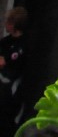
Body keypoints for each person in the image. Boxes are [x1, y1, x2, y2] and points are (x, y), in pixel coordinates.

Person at [0, 7, 28, 137]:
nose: (5, 24)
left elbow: (3, 62)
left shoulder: (23, 44)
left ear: (14, 24)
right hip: (2, 86)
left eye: (8, 21)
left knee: (9, 123)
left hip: (13, 91)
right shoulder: (5, 42)